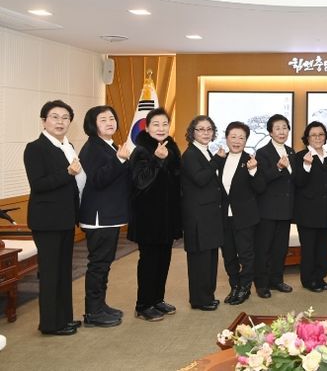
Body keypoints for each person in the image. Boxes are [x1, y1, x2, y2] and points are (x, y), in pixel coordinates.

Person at [24, 100, 85, 335]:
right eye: (55, 117)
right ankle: (50, 324)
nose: (60, 122)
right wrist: (67, 173)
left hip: (66, 219)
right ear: (44, 121)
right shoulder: (35, 148)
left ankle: (64, 318)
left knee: (63, 271)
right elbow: (38, 184)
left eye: (65, 118)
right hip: (47, 221)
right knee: (50, 274)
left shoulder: (68, 146)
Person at [78, 105, 131, 327]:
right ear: (93, 124)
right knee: (98, 265)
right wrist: (119, 160)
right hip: (99, 217)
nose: (109, 122)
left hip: (111, 214)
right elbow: (98, 180)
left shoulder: (109, 145)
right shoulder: (92, 148)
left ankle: (100, 305)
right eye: (103, 119)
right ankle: (93, 313)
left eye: (112, 118)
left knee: (104, 263)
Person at [128, 107, 182, 322]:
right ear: (147, 127)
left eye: (165, 124)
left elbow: (177, 179)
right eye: (156, 124)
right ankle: (143, 305)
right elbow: (141, 182)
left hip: (167, 217)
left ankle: (157, 299)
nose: (161, 128)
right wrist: (157, 160)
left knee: (164, 260)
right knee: (149, 262)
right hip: (147, 218)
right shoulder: (141, 151)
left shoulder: (172, 148)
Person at [180, 115, 224, 311]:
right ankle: (199, 299)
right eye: (201, 129)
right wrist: (217, 161)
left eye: (209, 129)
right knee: (200, 260)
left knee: (210, 258)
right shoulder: (190, 154)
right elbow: (200, 179)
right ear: (192, 133)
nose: (206, 133)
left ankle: (208, 295)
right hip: (198, 216)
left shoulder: (205, 151)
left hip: (210, 214)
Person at [219, 122, 266, 305]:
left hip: (245, 217)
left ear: (246, 140)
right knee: (228, 255)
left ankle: (245, 288)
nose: (237, 141)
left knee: (246, 255)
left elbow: (260, 188)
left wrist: (253, 171)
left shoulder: (251, 161)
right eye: (233, 137)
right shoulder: (220, 159)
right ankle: (235, 286)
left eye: (241, 137)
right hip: (224, 217)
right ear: (226, 138)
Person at [254, 114, 296, 298]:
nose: (282, 131)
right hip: (267, 209)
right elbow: (261, 181)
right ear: (270, 132)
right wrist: (278, 167)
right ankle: (262, 284)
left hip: (285, 209)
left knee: (280, 248)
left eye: (285, 127)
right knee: (264, 248)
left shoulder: (291, 151)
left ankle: (276, 280)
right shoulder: (262, 153)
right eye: (277, 128)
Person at [293, 121, 327, 292]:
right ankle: (308, 280)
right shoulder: (300, 156)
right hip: (307, 212)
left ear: (325, 137)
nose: (317, 138)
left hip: (326, 211)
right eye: (313, 135)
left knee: (323, 248)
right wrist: (306, 166)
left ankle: (320, 277)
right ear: (307, 138)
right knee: (309, 248)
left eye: (321, 134)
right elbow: (298, 182)